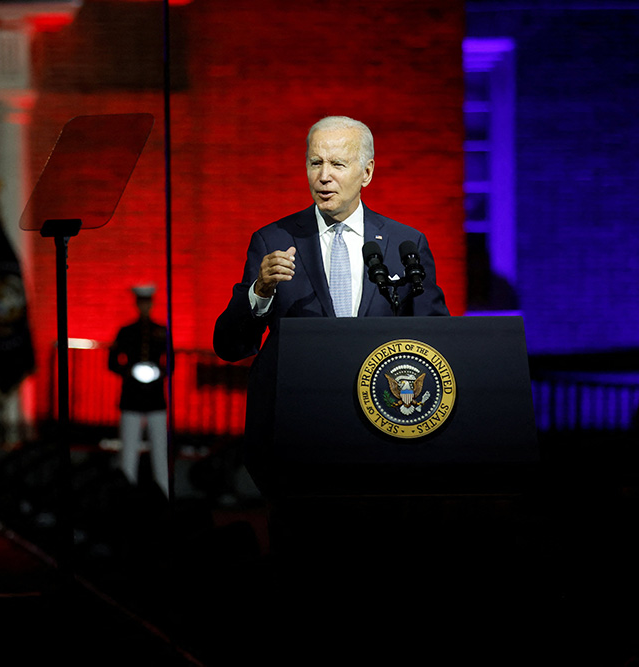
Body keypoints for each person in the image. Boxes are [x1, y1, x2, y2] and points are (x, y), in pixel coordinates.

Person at [213, 116, 450, 500]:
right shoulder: (273, 240)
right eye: (315, 163)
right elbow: (230, 345)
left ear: (366, 172)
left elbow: (437, 342)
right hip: (296, 436)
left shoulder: (404, 244)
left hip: (383, 435)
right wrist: (259, 291)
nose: (323, 176)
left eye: (337, 164)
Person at [108, 285, 170, 497]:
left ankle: (163, 495)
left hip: (155, 398)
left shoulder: (161, 331)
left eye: (147, 302)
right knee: (128, 453)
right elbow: (112, 362)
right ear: (137, 304)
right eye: (141, 302)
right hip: (132, 397)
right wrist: (129, 372)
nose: (145, 306)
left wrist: (159, 372)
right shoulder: (126, 332)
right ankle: (127, 496)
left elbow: (170, 362)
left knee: (160, 452)